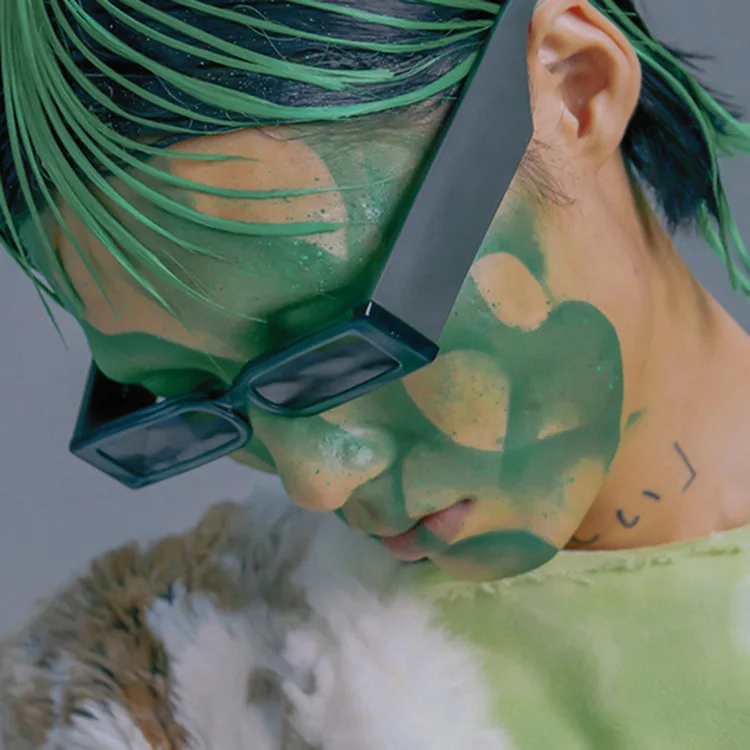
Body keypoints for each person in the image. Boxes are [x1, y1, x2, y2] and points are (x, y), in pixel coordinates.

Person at [2, 0, 750, 746]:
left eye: (336, 347)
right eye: (190, 394)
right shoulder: (154, 700)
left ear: (576, 88)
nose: (315, 483)